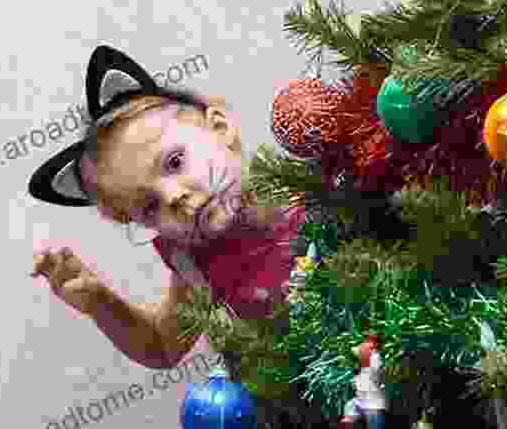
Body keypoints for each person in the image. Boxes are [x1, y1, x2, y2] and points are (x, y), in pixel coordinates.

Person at [28, 45, 305, 370]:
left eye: (174, 162)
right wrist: (100, 302)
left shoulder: (306, 187)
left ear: (219, 128)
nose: (173, 197)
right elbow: (163, 346)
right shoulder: (191, 258)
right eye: (149, 206)